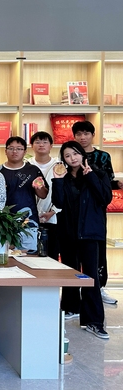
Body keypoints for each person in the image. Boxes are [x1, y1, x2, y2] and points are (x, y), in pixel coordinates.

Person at [52, 141, 112, 338]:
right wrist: (57, 181)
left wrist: (91, 176)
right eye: (67, 156)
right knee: (70, 273)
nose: (72, 158)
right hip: (68, 233)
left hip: (90, 233)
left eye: (75, 154)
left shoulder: (98, 173)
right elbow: (58, 202)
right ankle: (70, 307)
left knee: (90, 277)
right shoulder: (64, 177)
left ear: (82, 154)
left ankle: (94, 321)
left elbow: (105, 198)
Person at [73, 120, 121, 305]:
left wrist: (117, 184)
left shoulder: (103, 156)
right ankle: (75, 290)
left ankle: (99, 287)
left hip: (96, 210)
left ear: (93, 135)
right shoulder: (71, 154)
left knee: (98, 250)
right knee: (75, 251)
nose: (82, 137)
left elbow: (107, 182)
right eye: (79, 134)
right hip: (76, 209)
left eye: (86, 133)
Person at [0, 136, 48, 252]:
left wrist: (39, 187)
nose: (14, 151)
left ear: (25, 151)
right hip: (4, 223)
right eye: (11, 148)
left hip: (29, 222)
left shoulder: (33, 170)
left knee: (29, 255)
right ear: (5, 151)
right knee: (5, 255)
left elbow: (43, 195)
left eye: (19, 149)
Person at [26, 131, 62, 261]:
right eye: (37, 142)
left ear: (51, 145)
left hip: (54, 217)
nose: (41, 145)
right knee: (29, 255)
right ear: (31, 146)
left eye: (45, 142)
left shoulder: (60, 165)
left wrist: (54, 211)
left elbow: (64, 192)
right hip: (28, 219)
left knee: (51, 255)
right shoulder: (26, 165)